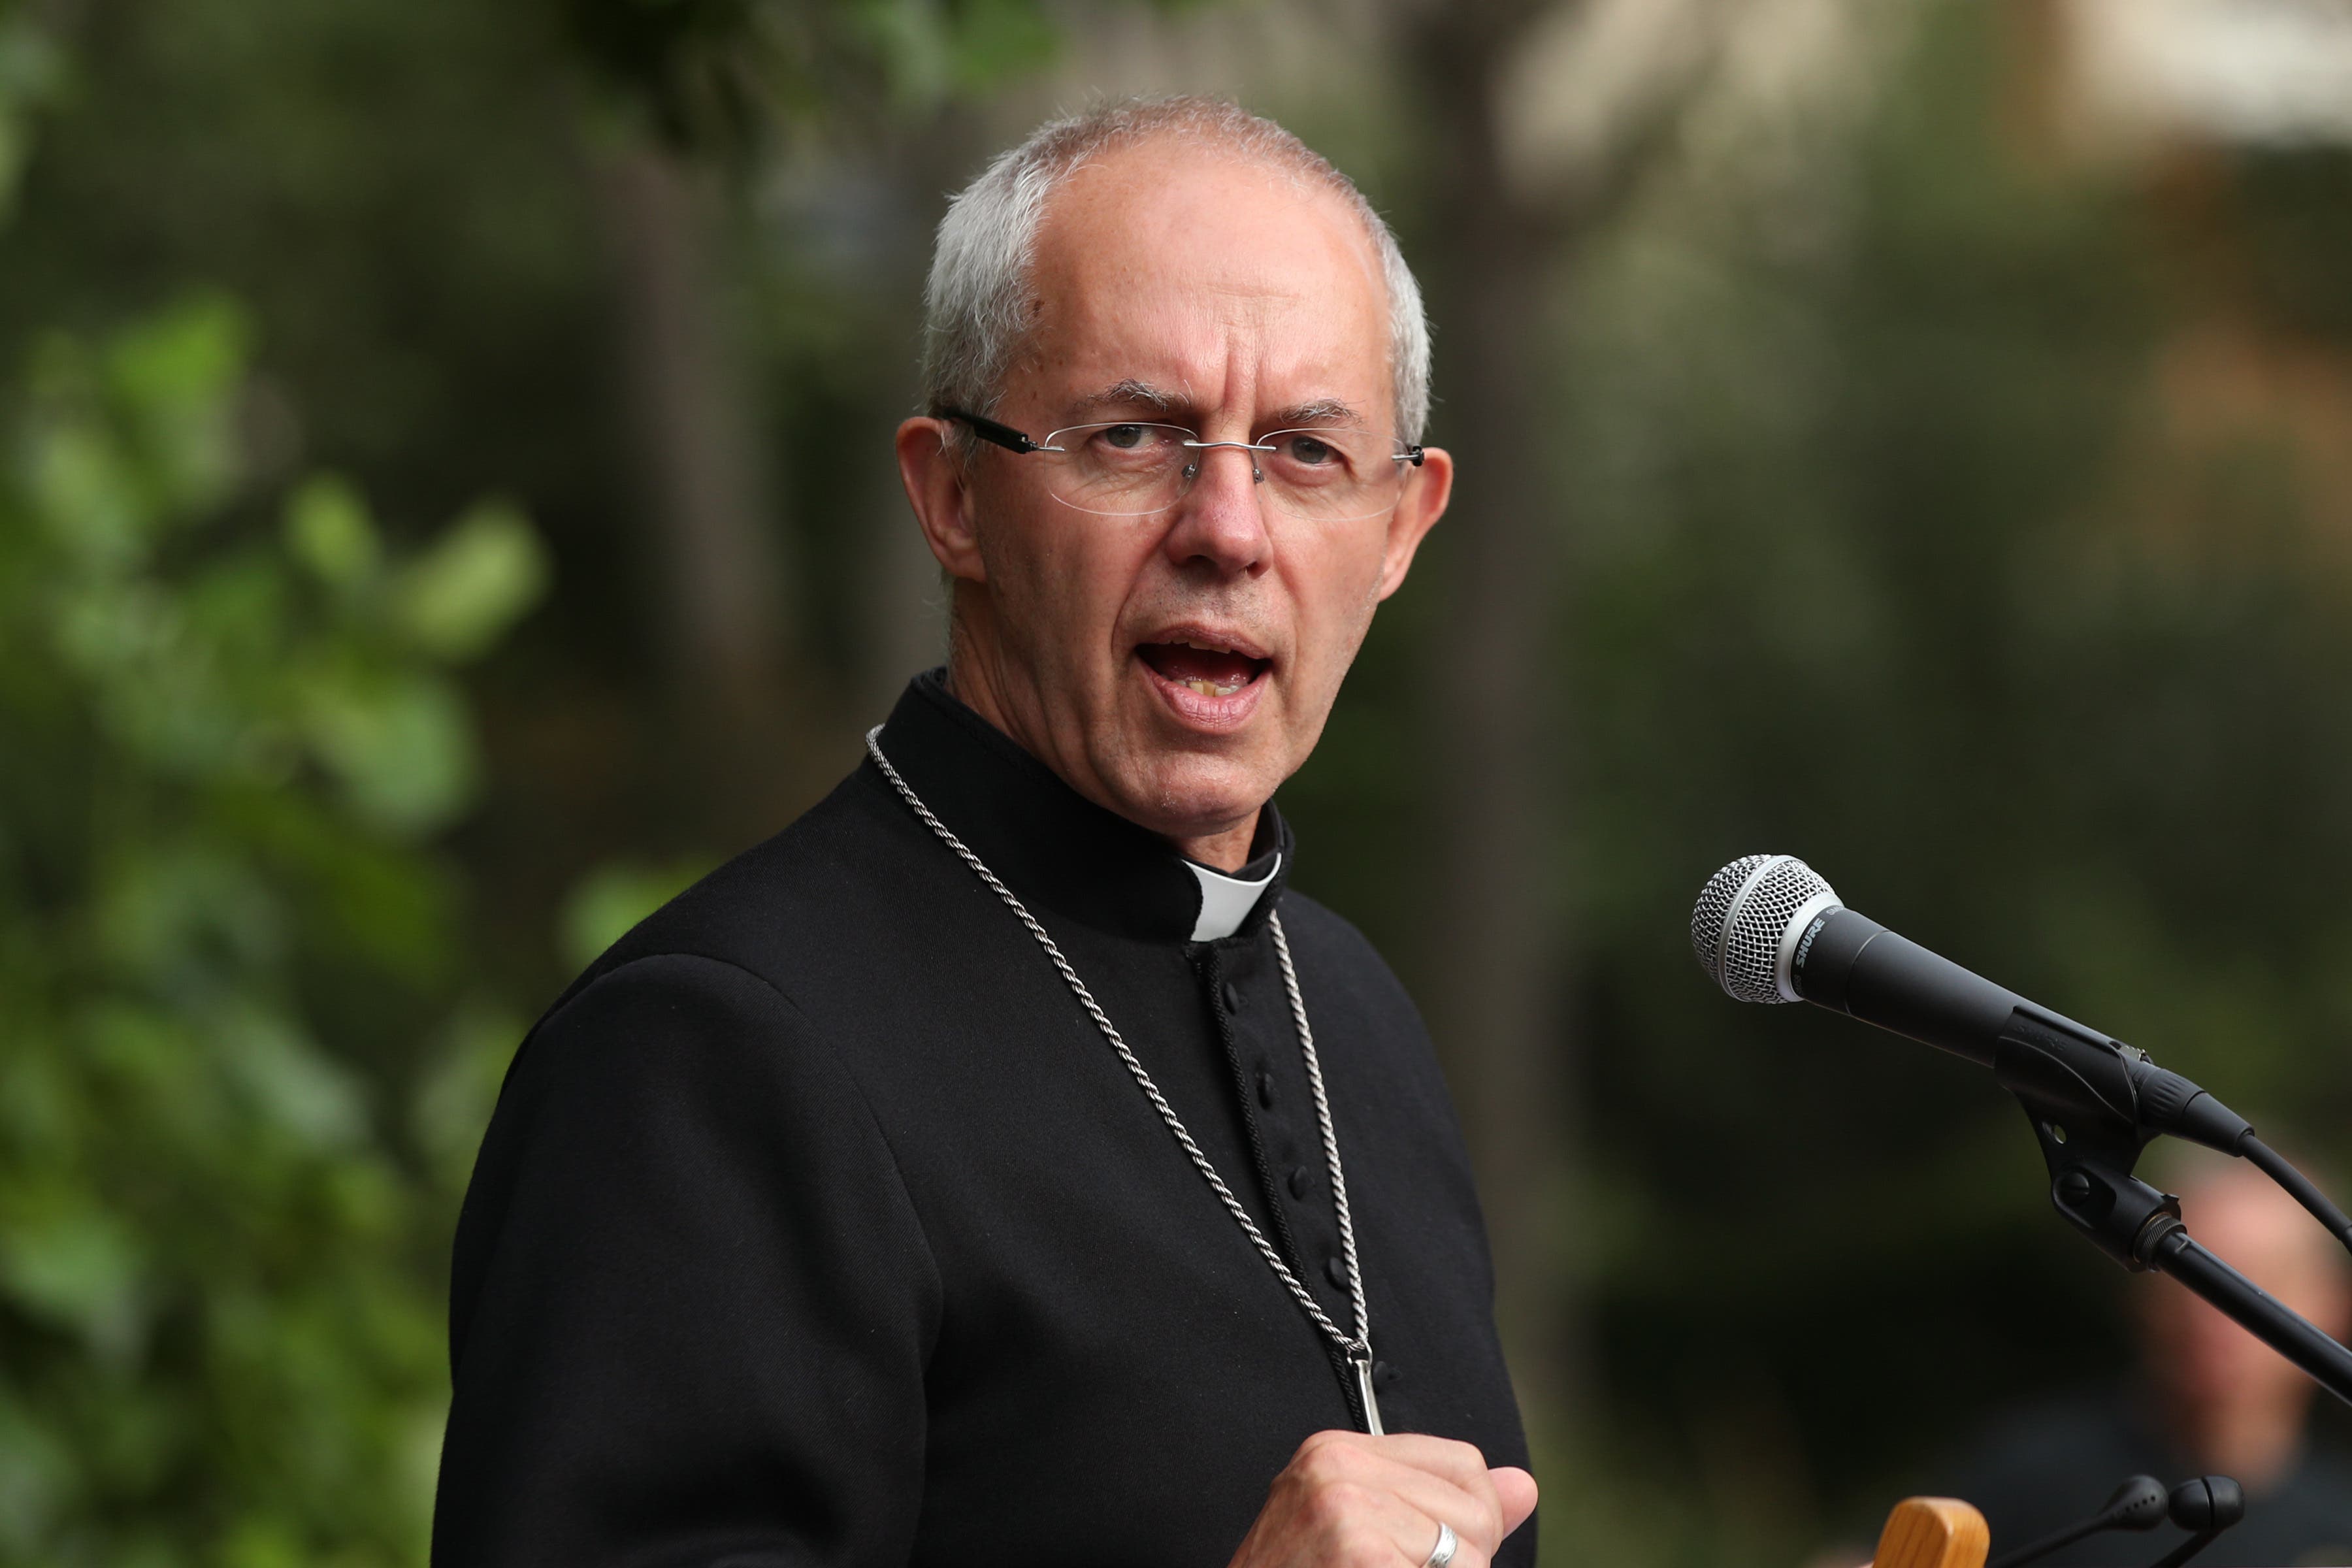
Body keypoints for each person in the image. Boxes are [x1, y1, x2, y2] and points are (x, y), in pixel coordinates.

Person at [430, 97, 1539, 1567]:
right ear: (953, 496)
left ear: (1403, 528)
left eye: (1305, 453)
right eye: (1134, 437)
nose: (1228, 526)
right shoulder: (709, 1061)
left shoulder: (1361, 1021)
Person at [1938, 1151, 2352, 1567]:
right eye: (2183, 1281)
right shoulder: (2023, 1480)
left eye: (2260, 1286)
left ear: (2333, 1304)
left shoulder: (2339, 1527)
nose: (2210, 1316)